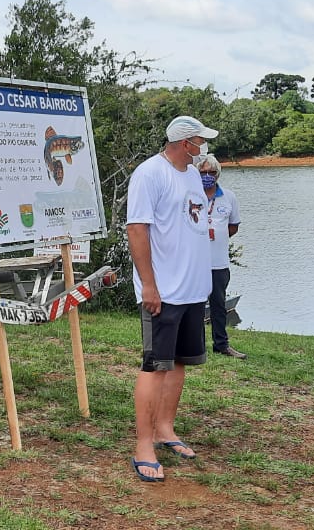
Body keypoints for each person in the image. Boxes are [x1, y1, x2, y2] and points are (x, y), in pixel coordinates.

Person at [126, 115, 215, 482]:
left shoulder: (192, 174)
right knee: (155, 365)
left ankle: (165, 429)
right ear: (183, 142)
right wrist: (149, 285)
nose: (203, 148)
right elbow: (137, 230)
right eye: (198, 142)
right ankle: (143, 445)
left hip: (193, 289)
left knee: (179, 363)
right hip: (164, 290)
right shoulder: (150, 174)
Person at [196, 154, 246, 359]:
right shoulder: (191, 195)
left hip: (219, 262)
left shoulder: (229, 197)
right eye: (203, 172)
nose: (208, 176)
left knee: (218, 305)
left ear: (218, 174)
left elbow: (233, 226)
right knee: (195, 306)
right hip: (195, 262)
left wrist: (217, 235)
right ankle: (195, 346)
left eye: (211, 172)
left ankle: (221, 344)